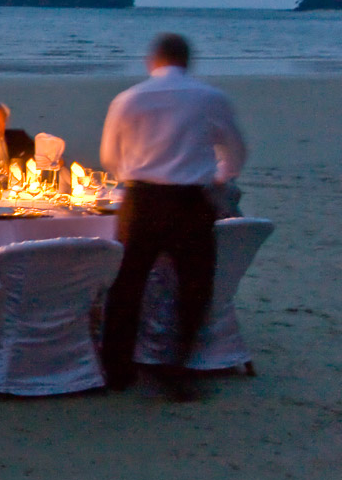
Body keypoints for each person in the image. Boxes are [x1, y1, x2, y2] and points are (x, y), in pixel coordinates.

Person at [99, 33, 247, 397]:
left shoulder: (128, 99)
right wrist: (219, 177)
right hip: (189, 202)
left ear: (154, 60)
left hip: (143, 200)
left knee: (126, 286)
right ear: (186, 60)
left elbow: (109, 157)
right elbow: (236, 151)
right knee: (193, 286)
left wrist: (131, 176)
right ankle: (176, 367)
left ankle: (117, 370)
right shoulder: (211, 98)